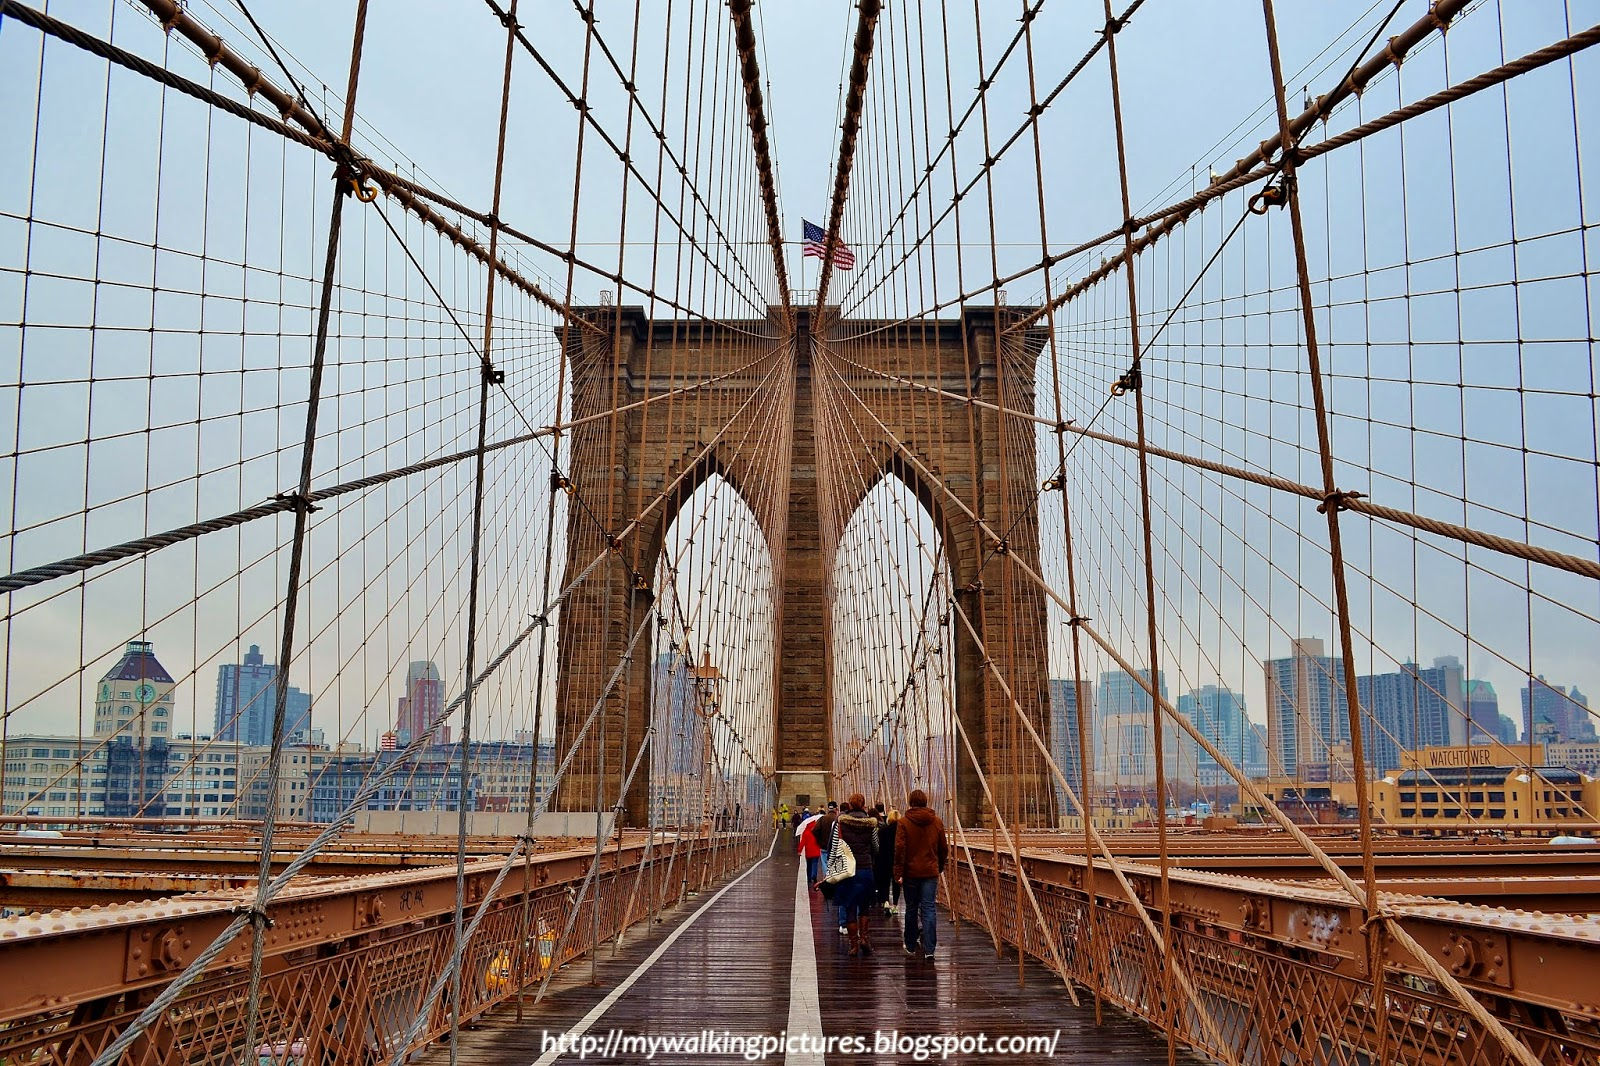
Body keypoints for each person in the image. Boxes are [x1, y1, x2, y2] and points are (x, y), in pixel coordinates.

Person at [894, 788, 947, 959]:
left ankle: (910, 944)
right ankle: (930, 949)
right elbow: (943, 847)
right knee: (929, 908)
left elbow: (900, 849)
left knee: (911, 908)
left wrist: (898, 872)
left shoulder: (903, 822)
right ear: (925, 801)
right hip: (930, 872)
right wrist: (938, 865)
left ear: (910, 802)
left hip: (910, 872)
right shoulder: (937, 822)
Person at [834, 793, 879, 956]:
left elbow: (834, 845)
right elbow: (876, 847)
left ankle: (853, 945)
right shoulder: (871, 824)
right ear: (864, 805)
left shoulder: (841, 823)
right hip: (865, 869)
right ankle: (865, 938)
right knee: (865, 907)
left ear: (850, 806)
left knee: (850, 907)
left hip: (848, 870)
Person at [875, 808, 900, 915]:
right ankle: (894, 905)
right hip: (896, 860)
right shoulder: (901, 830)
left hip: (884, 859)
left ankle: (886, 902)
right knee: (896, 884)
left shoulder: (882, 830)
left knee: (884, 882)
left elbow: (878, 846)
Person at [796, 811, 822, 884]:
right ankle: (814, 875)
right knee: (815, 864)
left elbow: (802, 842)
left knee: (809, 865)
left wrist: (799, 850)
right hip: (816, 850)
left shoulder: (806, 832)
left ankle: (809, 878)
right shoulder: (817, 830)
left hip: (809, 851)